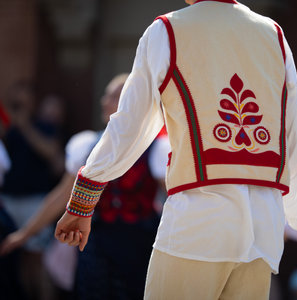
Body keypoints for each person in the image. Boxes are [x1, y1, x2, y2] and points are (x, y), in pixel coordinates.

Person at [54, 0, 297, 299]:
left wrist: (83, 201)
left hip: (199, 213)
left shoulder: (167, 29)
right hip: (263, 221)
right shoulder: (272, 33)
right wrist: (294, 212)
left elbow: (130, 125)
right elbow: (294, 126)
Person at [0, 74, 170, 300]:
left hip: (138, 244)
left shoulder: (156, 148)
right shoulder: (88, 144)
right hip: (95, 244)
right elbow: (63, 195)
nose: (106, 100)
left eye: (116, 95)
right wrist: (24, 234)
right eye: (107, 95)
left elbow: (174, 197)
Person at [0, 80, 65, 300]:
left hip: (35, 203)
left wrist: (25, 125)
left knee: (38, 260)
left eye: (25, 93)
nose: (21, 98)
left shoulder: (42, 125)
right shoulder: (8, 127)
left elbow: (50, 151)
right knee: (16, 261)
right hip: (8, 200)